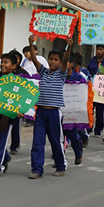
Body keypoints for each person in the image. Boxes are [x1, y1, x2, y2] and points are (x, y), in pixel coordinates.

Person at [28, 34, 72, 179]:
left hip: (54, 113)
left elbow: (66, 60)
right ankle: (37, 169)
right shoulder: (44, 72)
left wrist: (69, 46)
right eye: (51, 59)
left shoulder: (61, 73)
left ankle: (61, 166)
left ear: (60, 62)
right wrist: (31, 43)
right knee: (37, 142)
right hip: (40, 112)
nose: (53, 62)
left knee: (56, 141)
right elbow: (34, 60)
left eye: (56, 60)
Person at [87, 45, 104, 137]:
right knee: (90, 109)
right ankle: (89, 128)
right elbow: (88, 71)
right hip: (92, 89)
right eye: (97, 49)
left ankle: (98, 129)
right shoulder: (92, 60)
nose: (98, 51)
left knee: (100, 111)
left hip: (101, 90)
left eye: (101, 49)